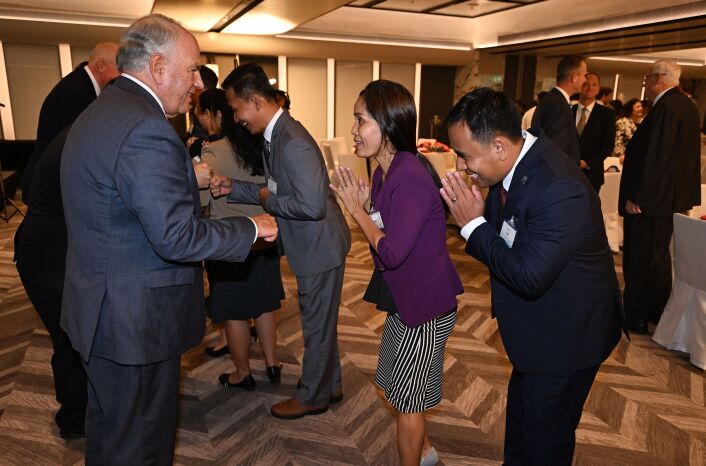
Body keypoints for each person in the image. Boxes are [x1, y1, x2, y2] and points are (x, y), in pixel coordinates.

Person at [60, 14, 278, 464]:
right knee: (141, 446)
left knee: (110, 436)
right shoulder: (146, 128)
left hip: (101, 309)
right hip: (133, 323)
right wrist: (251, 228)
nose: (198, 83)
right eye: (192, 69)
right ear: (158, 68)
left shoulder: (101, 111)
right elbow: (176, 236)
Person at [441, 88, 624, 465]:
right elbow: (503, 239)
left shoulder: (559, 187)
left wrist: (473, 225)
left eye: (464, 155)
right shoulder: (514, 168)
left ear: (499, 147)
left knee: (546, 442)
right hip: (535, 331)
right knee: (523, 424)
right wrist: (476, 220)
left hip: (566, 339)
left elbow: (527, 275)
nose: (461, 166)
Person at [330, 80, 462, 466]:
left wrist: (357, 212)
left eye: (360, 120)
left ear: (387, 125)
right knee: (399, 387)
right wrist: (368, 209)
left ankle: (419, 456)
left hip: (426, 307)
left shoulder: (408, 177)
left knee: (408, 401)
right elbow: (385, 244)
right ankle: (427, 453)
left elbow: (390, 251)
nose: (353, 130)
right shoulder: (383, 174)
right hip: (406, 300)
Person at [211, 63, 351, 420]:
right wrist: (233, 186)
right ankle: (329, 383)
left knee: (316, 325)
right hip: (313, 244)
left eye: (236, 109)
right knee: (321, 322)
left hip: (319, 246)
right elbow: (271, 189)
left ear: (256, 101)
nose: (236, 117)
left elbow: (311, 205)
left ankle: (313, 395)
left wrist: (265, 200)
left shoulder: (292, 142)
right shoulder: (277, 135)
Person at [200, 82, 285, 390]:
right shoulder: (260, 148)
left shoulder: (213, 150)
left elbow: (202, 199)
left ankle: (242, 372)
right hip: (265, 236)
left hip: (231, 242)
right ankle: (273, 364)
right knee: (263, 305)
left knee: (235, 312)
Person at [14, 127, 87, 440]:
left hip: (52, 257)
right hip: (45, 262)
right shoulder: (78, 143)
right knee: (69, 340)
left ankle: (80, 413)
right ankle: (73, 420)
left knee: (72, 340)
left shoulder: (81, 136)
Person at [619, 60, 701, 334]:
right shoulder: (688, 105)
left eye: (648, 78)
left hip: (650, 200)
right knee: (658, 257)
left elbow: (657, 156)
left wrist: (637, 196)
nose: (646, 84)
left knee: (640, 257)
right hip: (670, 198)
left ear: (659, 78)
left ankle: (636, 315)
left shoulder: (666, 107)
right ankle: (655, 310)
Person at [20, 42, 119, 203]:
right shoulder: (75, 94)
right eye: (119, 68)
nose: (121, 75)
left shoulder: (81, 84)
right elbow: (77, 149)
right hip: (49, 187)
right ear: (101, 65)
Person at [531, 55, 587, 164]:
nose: (585, 80)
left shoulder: (551, 99)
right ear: (574, 77)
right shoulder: (558, 104)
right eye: (584, 75)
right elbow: (556, 149)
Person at [573, 72, 616, 192]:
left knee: (588, 210)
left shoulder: (606, 114)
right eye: (586, 84)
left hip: (592, 175)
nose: (590, 87)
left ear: (598, 89)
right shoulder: (568, 110)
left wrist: (586, 163)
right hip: (566, 172)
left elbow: (608, 146)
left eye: (594, 84)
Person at [613, 98, 643, 162]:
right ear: (631, 109)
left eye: (641, 106)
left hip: (640, 157)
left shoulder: (644, 122)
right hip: (624, 158)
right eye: (638, 107)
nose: (641, 108)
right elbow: (618, 140)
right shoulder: (622, 121)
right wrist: (621, 154)